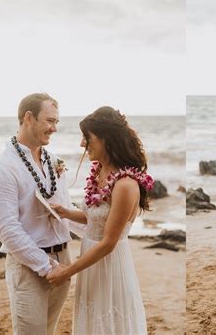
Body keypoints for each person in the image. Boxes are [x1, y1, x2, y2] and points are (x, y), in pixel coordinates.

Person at [46, 106, 153, 334]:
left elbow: (108, 242)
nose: (82, 144)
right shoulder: (98, 173)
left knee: (110, 323)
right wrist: (64, 212)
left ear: (107, 139)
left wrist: (67, 271)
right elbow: (95, 218)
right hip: (90, 258)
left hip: (109, 262)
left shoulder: (125, 184)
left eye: (87, 138)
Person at [0, 93, 73, 334]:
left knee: (49, 329)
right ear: (28, 118)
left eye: (57, 122)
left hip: (64, 262)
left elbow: (65, 208)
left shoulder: (53, 160)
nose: (54, 128)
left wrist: (98, 227)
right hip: (29, 268)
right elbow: (7, 230)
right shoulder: (3, 169)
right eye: (50, 121)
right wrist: (46, 266)